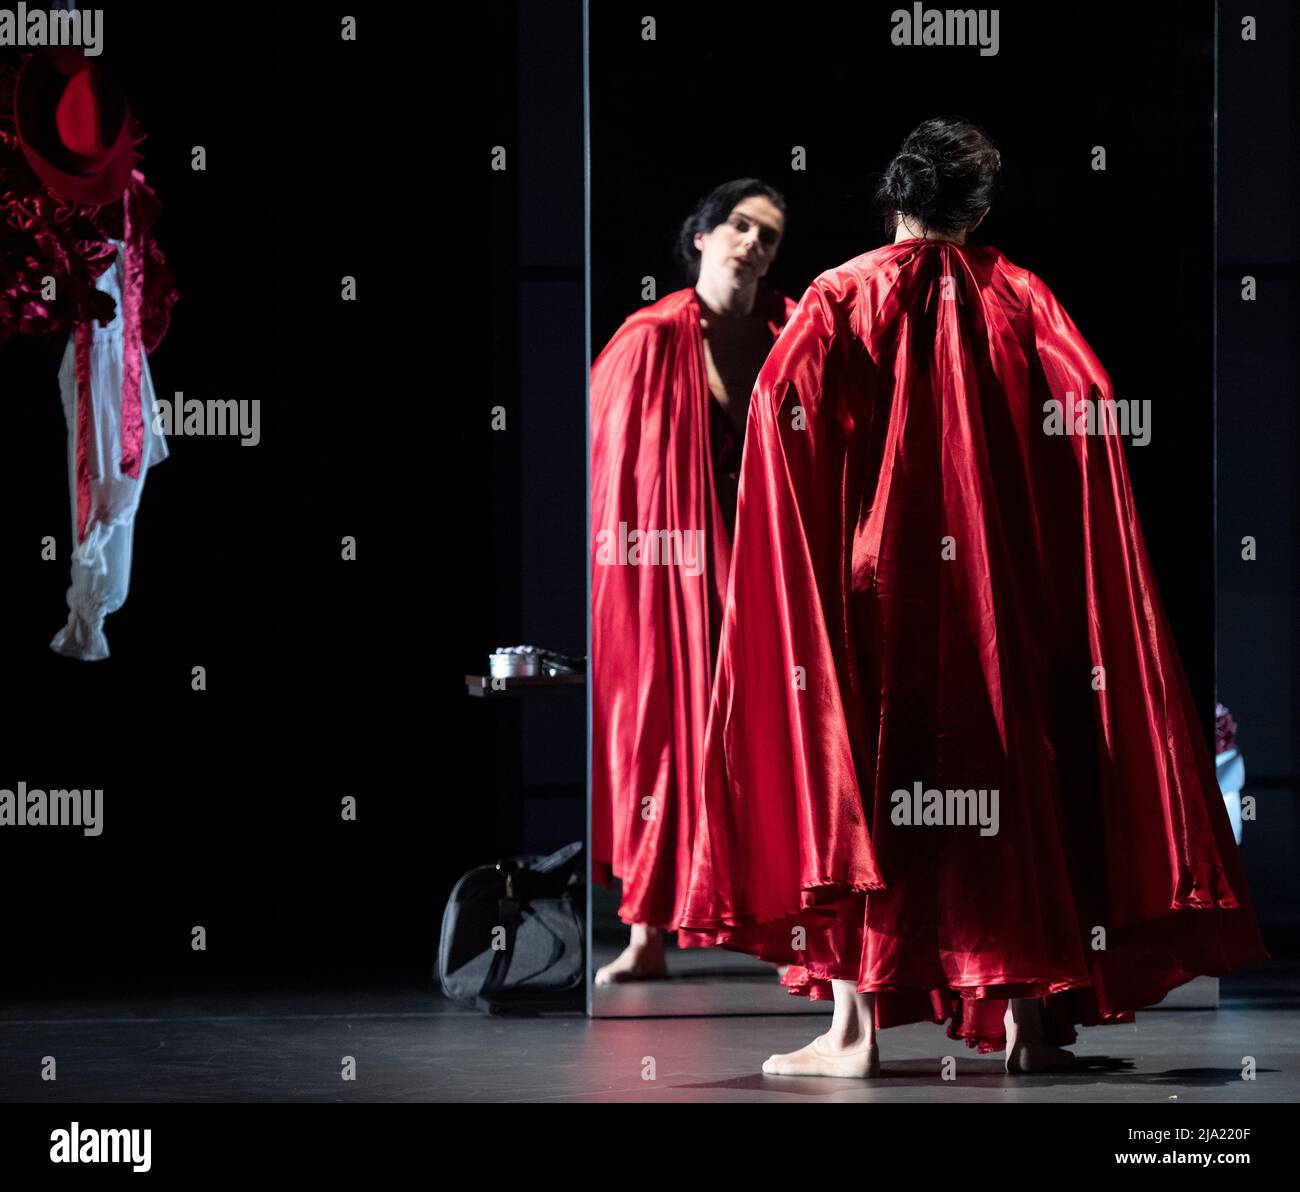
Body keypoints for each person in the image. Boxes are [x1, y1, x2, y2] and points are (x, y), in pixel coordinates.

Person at [677, 117, 1270, 1073]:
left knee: (869, 789)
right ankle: (1029, 1026)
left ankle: (852, 1033)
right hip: (1004, 594)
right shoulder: (1023, 295)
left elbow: (777, 425)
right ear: (981, 210)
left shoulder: (839, 293)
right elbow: (1093, 403)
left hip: (880, 592)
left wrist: (807, 553)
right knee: (1014, 786)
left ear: (893, 202)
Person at [590, 179, 795, 983]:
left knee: (772, 739)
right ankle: (645, 933)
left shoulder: (790, 332)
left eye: (769, 236)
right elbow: (613, 473)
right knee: (660, 738)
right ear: (703, 237)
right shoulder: (647, 336)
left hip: (764, 570)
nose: (752, 242)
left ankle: (782, 918)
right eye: (739, 226)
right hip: (665, 575)